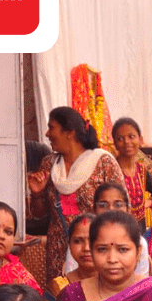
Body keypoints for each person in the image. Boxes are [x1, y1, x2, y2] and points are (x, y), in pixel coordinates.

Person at [30, 106, 123, 282]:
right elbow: (39, 214)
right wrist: (36, 194)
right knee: (63, 300)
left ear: (69, 132)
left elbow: (121, 209)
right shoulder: (49, 164)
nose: (47, 134)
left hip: (93, 249)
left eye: (51, 127)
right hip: (58, 253)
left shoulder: (103, 162)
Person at [110, 117, 152, 227]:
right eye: (120, 138)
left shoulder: (141, 170)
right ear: (115, 144)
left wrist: (148, 203)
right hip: (119, 230)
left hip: (140, 232)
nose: (127, 142)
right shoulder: (112, 170)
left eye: (131, 137)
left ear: (140, 140)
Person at [53, 214, 98, 296]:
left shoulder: (120, 285)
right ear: (69, 244)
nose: (86, 248)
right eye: (78, 241)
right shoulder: (58, 288)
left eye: (93, 241)